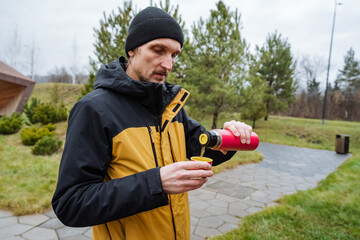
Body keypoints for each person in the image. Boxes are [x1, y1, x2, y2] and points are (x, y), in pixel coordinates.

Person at [52, 6, 252, 240]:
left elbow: (202, 147)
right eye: (158, 50)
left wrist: (228, 136)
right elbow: (71, 203)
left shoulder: (170, 106)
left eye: (174, 55)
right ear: (132, 50)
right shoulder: (94, 109)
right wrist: (156, 183)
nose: (168, 65)